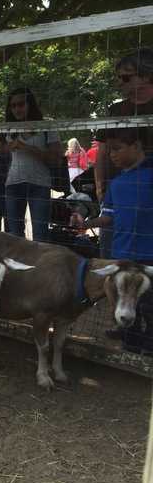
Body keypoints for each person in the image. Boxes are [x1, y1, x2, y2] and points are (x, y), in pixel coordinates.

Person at [71, 128, 153, 353]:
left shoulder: (150, 176)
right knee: (124, 293)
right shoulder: (116, 183)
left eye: (117, 149)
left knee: (148, 300)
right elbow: (109, 217)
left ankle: (149, 338)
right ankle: (130, 332)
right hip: (122, 252)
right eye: (110, 151)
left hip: (149, 252)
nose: (112, 155)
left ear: (136, 146)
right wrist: (85, 223)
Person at [95, 48, 153, 258]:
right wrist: (101, 189)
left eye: (126, 77)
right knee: (111, 253)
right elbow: (102, 152)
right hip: (121, 192)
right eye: (118, 78)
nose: (120, 82)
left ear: (146, 76)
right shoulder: (115, 110)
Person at [4, 87, 63, 242]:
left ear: (30, 104)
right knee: (15, 237)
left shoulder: (47, 126)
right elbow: (3, 151)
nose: (17, 109)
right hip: (13, 185)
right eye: (13, 106)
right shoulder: (9, 129)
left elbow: (56, 158)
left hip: (39, 185)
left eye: (21, 104)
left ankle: (41, 266)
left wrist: (27, 148)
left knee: (40, 236)